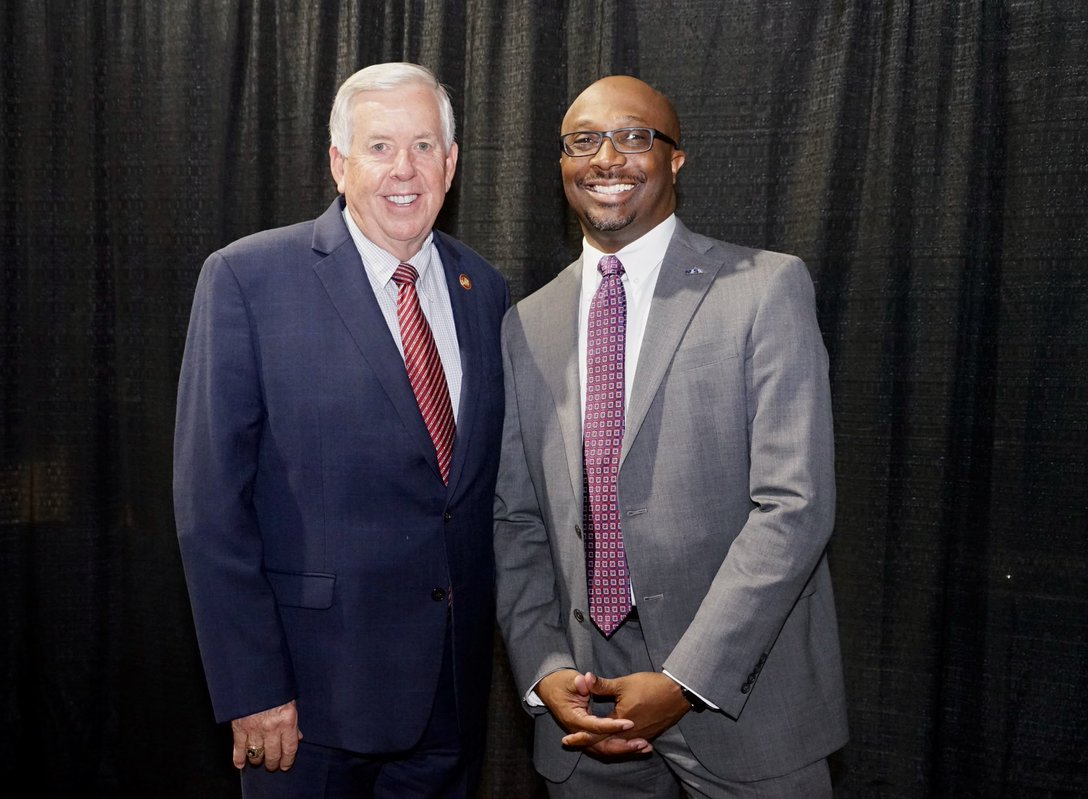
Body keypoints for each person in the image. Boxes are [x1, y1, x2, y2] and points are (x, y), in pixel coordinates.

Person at [493, 75, 849, 797]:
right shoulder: (526, 322)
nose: (607, 158)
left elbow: (794, 506)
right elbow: (516, 519)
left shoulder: (765, 288)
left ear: (676, 158)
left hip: (744, 699)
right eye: (583, 141)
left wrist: (686, 679)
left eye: (633, 136)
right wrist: (543, 665)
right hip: (585, 713)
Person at [174, 61, 510, 798]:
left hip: (448, 703)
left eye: (424, 146)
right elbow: (210, 508)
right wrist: (252, 685)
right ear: (338, 162)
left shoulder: (484, 290)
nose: (405, 169)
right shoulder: (246, 279)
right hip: (306, 706)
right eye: (380, 147)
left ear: (452, 164)